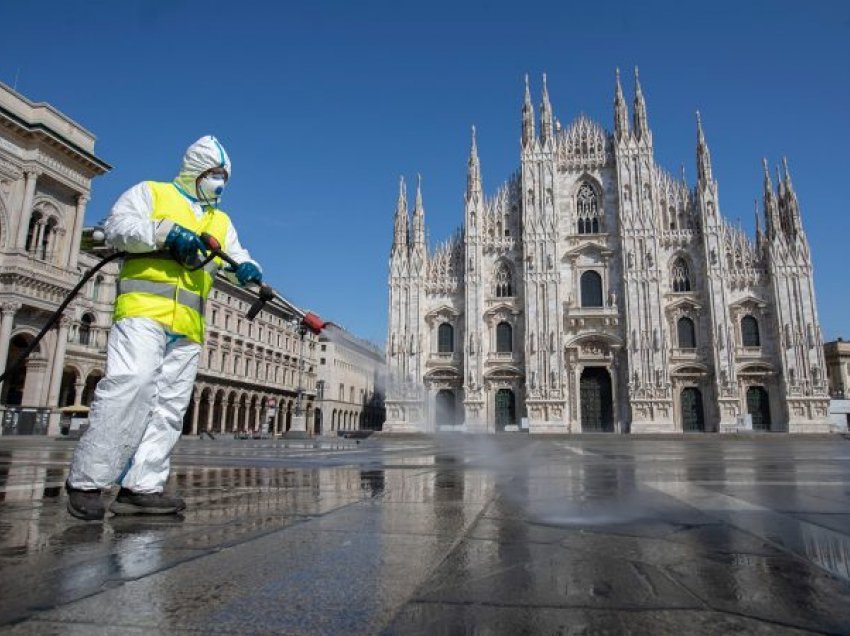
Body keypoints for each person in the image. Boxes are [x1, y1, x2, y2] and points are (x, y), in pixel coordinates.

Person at [65, 136, 262, 520]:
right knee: (131, 385)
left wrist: (248, 271)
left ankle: (141, 486)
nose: (219, 182)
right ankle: (88, 480)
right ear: (195, 170)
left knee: (171, 405)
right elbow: (117, 227)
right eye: (214, 174)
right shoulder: (150, 193)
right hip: (143, 311)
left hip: (188, 324)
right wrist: (163, 234)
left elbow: (236, 257)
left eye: (224, 176)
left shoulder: (220, 220)